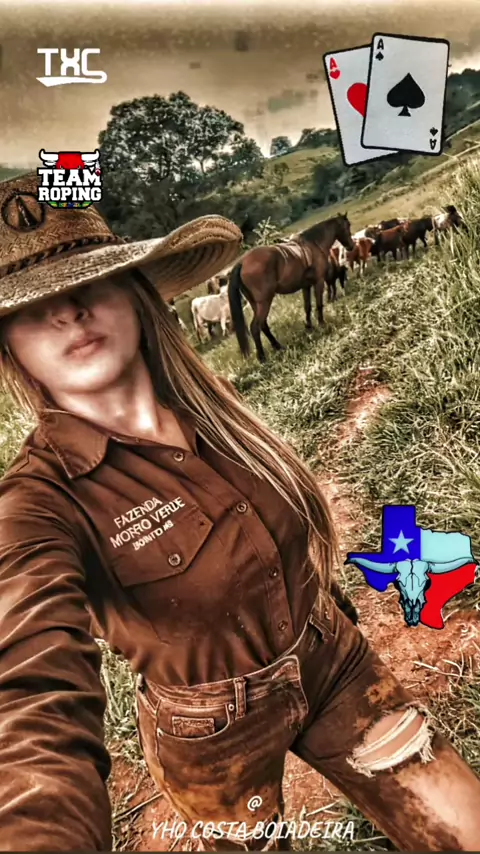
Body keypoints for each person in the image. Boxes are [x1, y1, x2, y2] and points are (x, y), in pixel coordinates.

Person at [0, 172, 478, 853]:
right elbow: (27, 701)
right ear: (8, 344)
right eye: (31, 305)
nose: (68, 311)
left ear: (134, 290)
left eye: (92, 281)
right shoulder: (35, 504)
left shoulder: (217, 406)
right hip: (209, 739)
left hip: (333, 659)